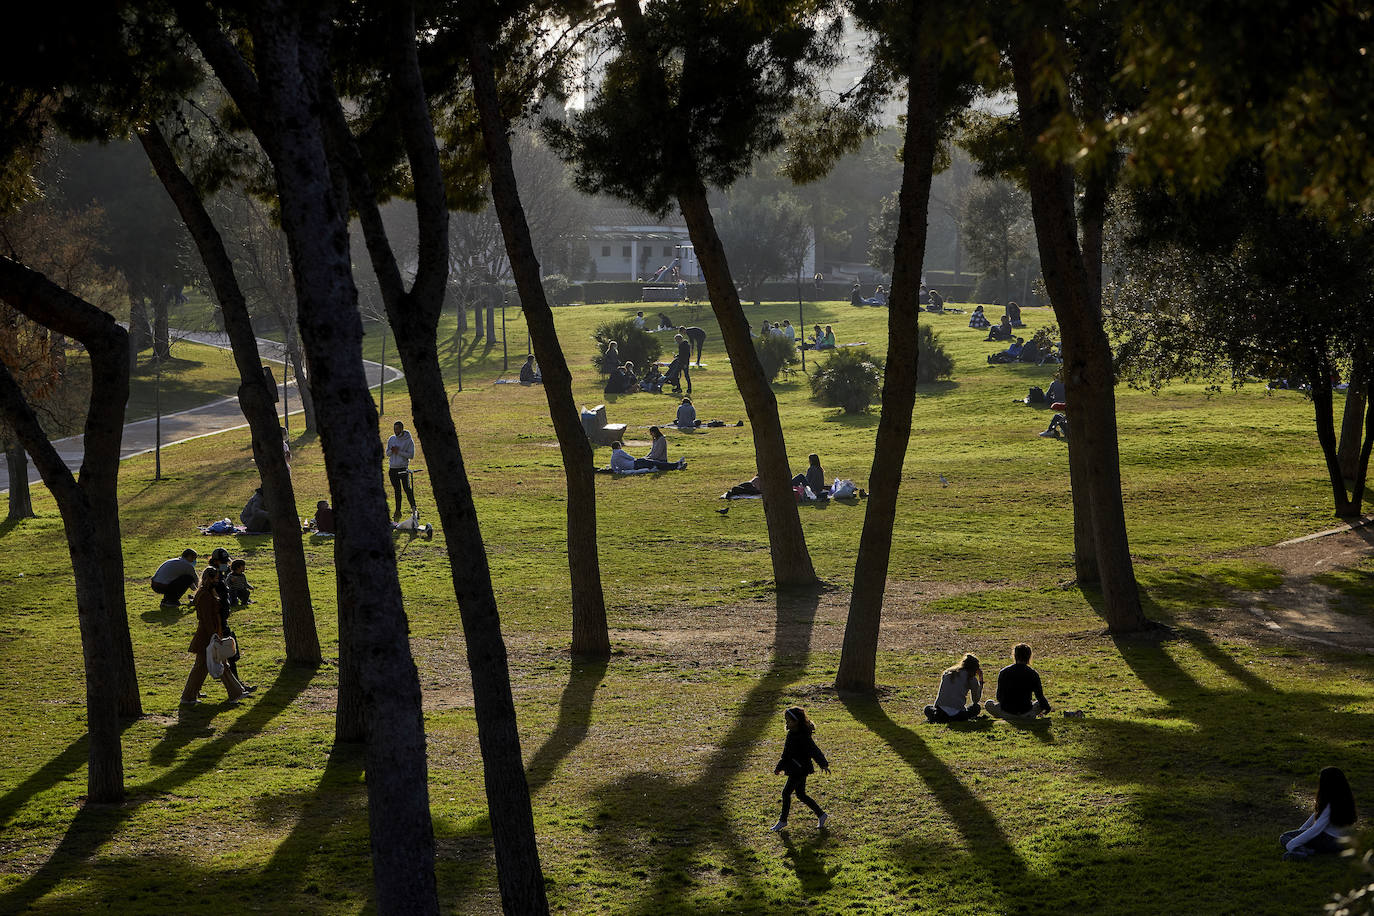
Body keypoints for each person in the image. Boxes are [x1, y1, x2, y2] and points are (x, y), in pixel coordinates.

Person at [180, 567, 249, 706]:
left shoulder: (207, 592)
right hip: (207, 636)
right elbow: (206, 618)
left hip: (210, 634)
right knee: (209, 666)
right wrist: (214, 635)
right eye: (216, 578)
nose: (218, 581)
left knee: (210, 667)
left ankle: (190, 697)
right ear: (210, 579)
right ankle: (235, 693)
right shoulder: (205, 595)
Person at [771, 706, 830, 831]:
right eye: (785, 720)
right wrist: (779, 767)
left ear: (796, 721)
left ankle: (783, 820)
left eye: (789, 720)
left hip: (800, 769)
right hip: (795, 768)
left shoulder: (803, 736)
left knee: (786, 793)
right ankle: (821, 814)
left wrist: (823, 763)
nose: (786, 723)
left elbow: (814, 750)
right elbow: (786, 754)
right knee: (801, 794)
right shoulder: (791, 734)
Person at [1281, 767, 1357, 860]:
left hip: (1328, 840)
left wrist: (1292, 843)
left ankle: (1302, 852)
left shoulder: (1331, 804)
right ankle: (1306, 850)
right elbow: (1315, 816)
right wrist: (1300, 832)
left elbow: (1317, 828)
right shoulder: (1345, 800)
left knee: (1285, 837)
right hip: (1342, 843)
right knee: (1295, 838)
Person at [985, 644, 1052, 720]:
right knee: (1039, 703)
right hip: (1026, 712)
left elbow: (999, 697)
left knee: (989, 703)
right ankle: (1027, 715)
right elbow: (1040, 696)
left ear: (1015, 655)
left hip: (1007, 712)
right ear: (1029, 656)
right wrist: (1047, 708)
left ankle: (1006, 715)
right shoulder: (1033, 673)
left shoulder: (1004, 672)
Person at [924, 653, 984, 723]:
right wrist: (981, 682)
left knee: (927, 708)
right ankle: (956, 718)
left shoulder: (947, 673)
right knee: (976, 708)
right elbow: (975, 700)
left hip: (940, 712)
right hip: (957, 714)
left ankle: (936, 718)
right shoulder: (971, 678)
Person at [387, 420, 417, 520]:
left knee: (407, 489)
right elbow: (387, 453)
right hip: (392, 469)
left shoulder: (408, 440)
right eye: (394, 429)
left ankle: (414, 509)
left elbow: (411, 455)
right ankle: (398, 511)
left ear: (402, 429)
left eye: (397, 429)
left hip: (403, 468)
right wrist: (392, 451)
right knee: (397, 490)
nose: (395, 431)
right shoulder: (391, 439)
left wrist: (398, 451)